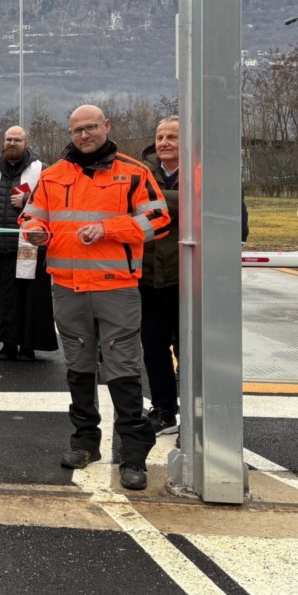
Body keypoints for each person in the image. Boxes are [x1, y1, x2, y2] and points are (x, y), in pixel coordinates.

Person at [21, 104, 170, 491]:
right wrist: (34, 229)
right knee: (79, 367)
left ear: (106, 126)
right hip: (68, 287)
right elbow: (30, 216)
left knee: (123, 370)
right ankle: (86, 442)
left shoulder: (134, 172)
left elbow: (158, 220)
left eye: (90, 128)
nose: (83, 135)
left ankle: (134, 455)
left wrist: (108, 229)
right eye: (76, 130)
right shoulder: (53, 176)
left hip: (116, 287)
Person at [137, 115, 251, 437]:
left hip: (191, 278)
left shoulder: (210, 172)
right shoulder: (141, 174)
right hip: (149, 278)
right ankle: (163, 410)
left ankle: (194, 412)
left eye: (172, 136)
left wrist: (163, 203)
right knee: (153, 347)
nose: (164, 143)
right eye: (160, 137)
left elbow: (227, 215)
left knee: (190, 350)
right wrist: (187, 204)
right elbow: (134, 210)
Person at [0, 126, 57, 362]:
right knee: (2, 300)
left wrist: (27, 200)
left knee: (29, 302)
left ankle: (28, 346)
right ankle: (7, 344)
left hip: (32, 247)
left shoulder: (42, 170)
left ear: (26, 142)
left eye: (17, 140)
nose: (12, 143)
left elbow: (55, 205)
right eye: (8, 139)